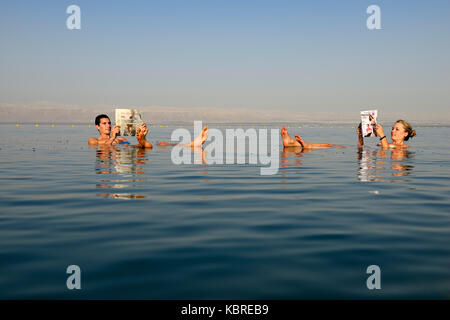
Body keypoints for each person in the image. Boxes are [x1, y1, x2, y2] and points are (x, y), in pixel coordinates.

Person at [88, 114, 208, 148]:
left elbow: (129, 146)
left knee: (161, 144)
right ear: (97, 127)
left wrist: (138, 133)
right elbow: (102, 145)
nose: (108, 125)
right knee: (147, 145)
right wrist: (113, 137)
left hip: (127, 149)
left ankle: (193, 143)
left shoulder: (120, 139)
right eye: (104, 124)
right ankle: (143, 140)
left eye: (109, 123)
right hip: (118, 150)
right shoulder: (93, 140)